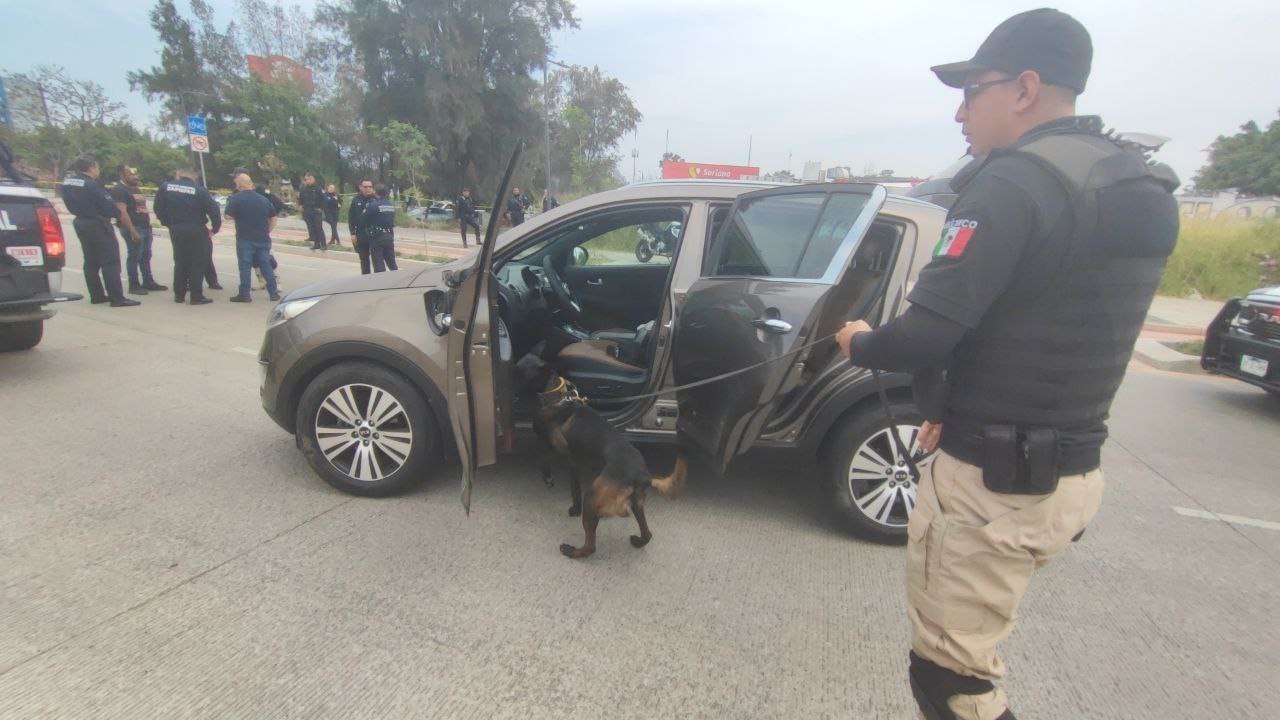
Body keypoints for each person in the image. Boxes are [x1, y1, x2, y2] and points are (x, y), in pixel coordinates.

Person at [833, 10, 1179, 720]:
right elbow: (1040, 321)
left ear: (1025, 88)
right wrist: (949, 406)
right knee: (970, 663)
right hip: (1069, 477)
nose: (960, 112)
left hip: (992, 487)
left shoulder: (1013, 185)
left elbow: (925, 335)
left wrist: (859, 341)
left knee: (951, 682)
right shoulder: (1135, 182)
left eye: (972, 91)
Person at [60, 155, 138, 307]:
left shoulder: (68, 182)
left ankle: (97, 295)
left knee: (91, 260)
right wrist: (115, 213)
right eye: (97, 167)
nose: (98, 170)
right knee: (110, 261)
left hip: (80, 221)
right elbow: (109, 206)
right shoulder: (93, 184)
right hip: (98, 223)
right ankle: (117, 298)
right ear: (91, 168)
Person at [154, 166, 221, 305]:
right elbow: (214, 210)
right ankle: (196, 296)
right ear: (194, 177)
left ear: (178, 174)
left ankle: (179, 295)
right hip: (196, 229)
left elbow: (158, 208)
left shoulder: (166, 187)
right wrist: (215, 228)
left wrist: (169, 223)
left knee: (180, 261)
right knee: (197, 263)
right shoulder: (200, 190)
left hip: (177, 228)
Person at [224, 173, 280, 302]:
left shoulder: (236, 199)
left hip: (245, 238)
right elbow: (273, 217)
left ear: (239, 185)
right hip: (263, 238)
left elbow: (227, 216)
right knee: (266, 265)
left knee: (245, 266)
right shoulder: (263, 199)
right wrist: (267, 230)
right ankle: (273, 292)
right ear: (250, 183)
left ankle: (245, 294)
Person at [110, 165, 166, 295]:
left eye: (136, 174)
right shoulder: (119, 190)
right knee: (135, 255)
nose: (135, 177)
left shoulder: (135, 188)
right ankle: (134, 284)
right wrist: (132, 230)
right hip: (133, 227)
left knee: (146, 255)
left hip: (145, 227)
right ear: (122, 175)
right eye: (131, 175)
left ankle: (148, 281)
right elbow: (122, 212)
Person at [362, 183, 399, 273]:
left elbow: (365, 219)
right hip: (389, 236)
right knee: (391, 262)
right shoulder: (390, 205)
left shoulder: (373, 205)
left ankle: (381, 283)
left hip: (377, 237)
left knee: (378, 264)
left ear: (376, 192)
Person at [348, 179, 375, 274]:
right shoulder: (356, 200)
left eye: (370, 187)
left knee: (377, 259)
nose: (368, 189)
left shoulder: (376, 199)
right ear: (360, 188)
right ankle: (366, 279)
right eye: (365, 187)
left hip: (374, 234)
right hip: (361, 234)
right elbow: (351, 217)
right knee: (364, 259)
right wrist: (352, 233)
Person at [299, 171, 326, 251]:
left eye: (310, 179)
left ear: (313, 179)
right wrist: (301, 206)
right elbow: (301, 199)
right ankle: (316, 244)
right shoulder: (303, 189)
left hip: (316, 211)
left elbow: (324, 199)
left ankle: (323, 244)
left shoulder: (318, 188)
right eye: (306, 179)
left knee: (318, 228)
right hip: (307, 211)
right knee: (312, 228)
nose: (308, 181)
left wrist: (321, 208)